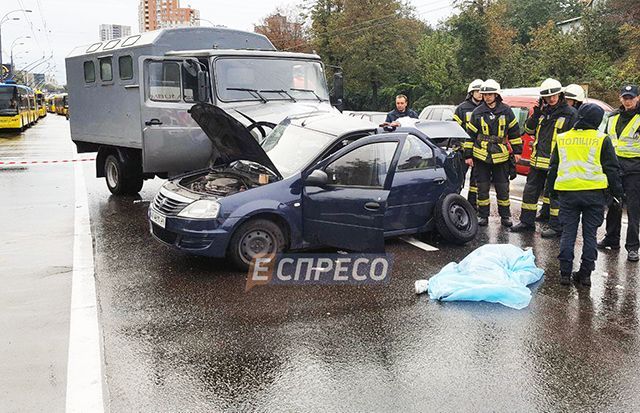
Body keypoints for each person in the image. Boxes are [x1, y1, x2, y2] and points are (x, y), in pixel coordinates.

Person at [547, 103, 623, 286]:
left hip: (567, 193)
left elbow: (553, 167)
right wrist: (617, 194)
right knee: (590, 235)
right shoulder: (601, 139)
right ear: (597, 121)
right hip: (594, 195)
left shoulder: (563, 138)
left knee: (568, 233)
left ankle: (565, 273)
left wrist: (550, 191)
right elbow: (611, 169)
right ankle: (586, 275)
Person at [511, 78, 578, 237]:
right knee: (530, 192)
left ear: (560, 95)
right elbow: (528, 129)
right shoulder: (541, 113)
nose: (551, 99)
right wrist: (536, 114)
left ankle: (556, 226)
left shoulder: (570, 114)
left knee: (555, 196)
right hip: (537, 160)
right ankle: (527, 222)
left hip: (558, 162)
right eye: (548, 97)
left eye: (554, 96)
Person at [465, 79, 523, 227]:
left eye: (490, 94)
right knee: (482, 189)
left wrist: (517, 151)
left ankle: (505, 216)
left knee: (503, 188)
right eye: (485, 94)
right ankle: (483, 216)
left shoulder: (506, 111)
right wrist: (468, 155)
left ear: (496, 95)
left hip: (501, 156)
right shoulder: (477, 112)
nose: (487, 97)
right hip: (481, 156)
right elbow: (470, 135)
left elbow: (515, 132)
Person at [597, 84, 640, 261]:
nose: (628, 101)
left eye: (631, 97)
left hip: (635, 169)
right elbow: (606, 140)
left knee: (633, 209)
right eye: (625, 97)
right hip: (614, 167)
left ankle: (633, 246)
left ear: (638, 98)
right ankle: (612, 238)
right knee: (613, 205)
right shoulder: (613, 116)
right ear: (620, 98)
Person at [454, 79, 483, 208]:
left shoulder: (485, 108)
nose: (480, 94)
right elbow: (455, 129)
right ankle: (455, 202)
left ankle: (473, 204)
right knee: (459, 178)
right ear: (471, 92)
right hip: (463, 149)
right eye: (477, 91)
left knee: (476, 180)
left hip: (479, 149)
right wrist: (459, 146)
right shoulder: (462, 108)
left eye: (481, 91)